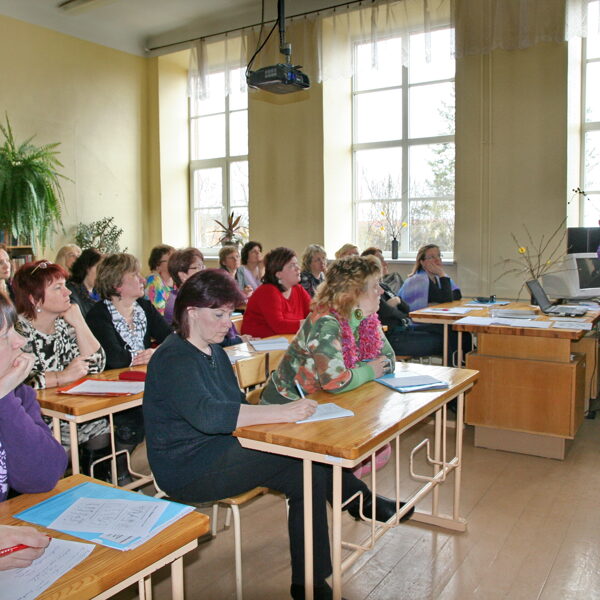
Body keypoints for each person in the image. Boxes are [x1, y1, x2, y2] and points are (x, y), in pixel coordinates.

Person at [143, 269, 402, 600]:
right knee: (307, 464)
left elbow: (233, 407)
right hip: (187, 468)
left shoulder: (213, 351)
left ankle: (310, 580)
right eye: (218, 315)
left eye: (229, 314)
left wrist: (286, 421)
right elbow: (210, 416)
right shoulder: (174, 357)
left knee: (308, 467)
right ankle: (331, 548)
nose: (227, 323)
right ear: (191, 312)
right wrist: (282, 413)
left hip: (222, 448)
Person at [12, 260, 108, 465]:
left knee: (100, 428)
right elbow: (17, 381)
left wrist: (79, 322)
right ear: (34, 299)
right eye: (58, 288)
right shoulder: (16, 332)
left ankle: (98, 480)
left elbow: (97, 365)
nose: (68, 292)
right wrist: (62, 377)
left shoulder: (64, 325)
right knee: (61, 445)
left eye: (65, 285)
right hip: (33, 416)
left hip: (66, 410)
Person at [86, 253, 171, 450]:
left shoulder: (144, 307)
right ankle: (123, 463)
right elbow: (115, 359)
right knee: (139, 419)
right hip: (113, 392)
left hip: (142, 384)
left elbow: (171, 338)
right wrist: (145, 355)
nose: (143, 280)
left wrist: (154, 353)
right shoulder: (98, 315)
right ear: (117, 284)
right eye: (135, 275)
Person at [0, 292, 67, 505]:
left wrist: (3, 398)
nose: (21, 341)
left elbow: (44, 476)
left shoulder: (17, 393)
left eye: (15, 330)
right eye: (4, 336)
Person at [361, 247, 443, 358]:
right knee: (444, 340)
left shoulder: (384, 286)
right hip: (394, 337)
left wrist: (397, 302)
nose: (385, 263)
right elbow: (387, 313)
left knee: (447, 331)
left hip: (405, 329)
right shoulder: (369, 291)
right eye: (381, 260)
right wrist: (398, 310)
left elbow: (406, 308)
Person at [398, 244, 469, 363]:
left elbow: (456, 294)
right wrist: (441, 274)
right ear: (422, 262)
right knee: (451, 330)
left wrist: (436, 300)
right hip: (416, 324)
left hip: (433, 321)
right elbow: (446, 298)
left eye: (439, 256)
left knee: (463, 332)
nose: (437, 260)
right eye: (431, 257)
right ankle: (454, 365)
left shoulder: (437, 279)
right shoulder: (417, 280)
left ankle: (468, 363)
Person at [241, 247, 311, 338]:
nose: (298, 268)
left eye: (296, 264)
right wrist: (309, 323)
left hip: (286, 340)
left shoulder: (298, 289)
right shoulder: (268, 291)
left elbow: (313, 312)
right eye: (292, 265)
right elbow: (279, 326)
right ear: (278, 274)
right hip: (258, 343)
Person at [163, 247, 205, 326]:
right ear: (183, 275)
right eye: (198, 267)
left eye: (203, 266)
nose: (203, 271)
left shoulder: (194, 296)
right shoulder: (178, 302)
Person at [66, 248, 102, 318]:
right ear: (87, 268)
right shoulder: (70, 292)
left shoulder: (100, 293)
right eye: (99, 269)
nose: (102, 273)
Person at [144, 244, 175, 316]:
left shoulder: (175, 280)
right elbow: (157, 315)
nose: (175, 262)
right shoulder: (154, 280)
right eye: (171, 260)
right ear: (158, 265)